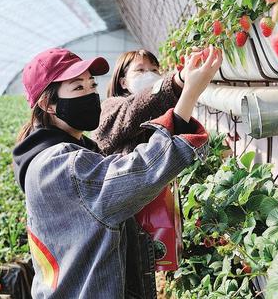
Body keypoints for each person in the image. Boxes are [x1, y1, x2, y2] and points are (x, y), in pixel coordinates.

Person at [12, 46, 221, 298]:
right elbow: (143, 171)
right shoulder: (60, 166)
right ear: (48, 104)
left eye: (92, 85)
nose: (90, 94)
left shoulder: (58, 156)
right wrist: (189, 94)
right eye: (78, 88)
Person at [93, 49, 192, 298]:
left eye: (154, 69)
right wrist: (177, 81)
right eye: (140, 70)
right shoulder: (111, 108)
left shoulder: (159, 110)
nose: (149, 74)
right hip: (124, 215)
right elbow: (135, 110)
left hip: (151, 210)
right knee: (130, 279)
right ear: (123, 81)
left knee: (149, 271)